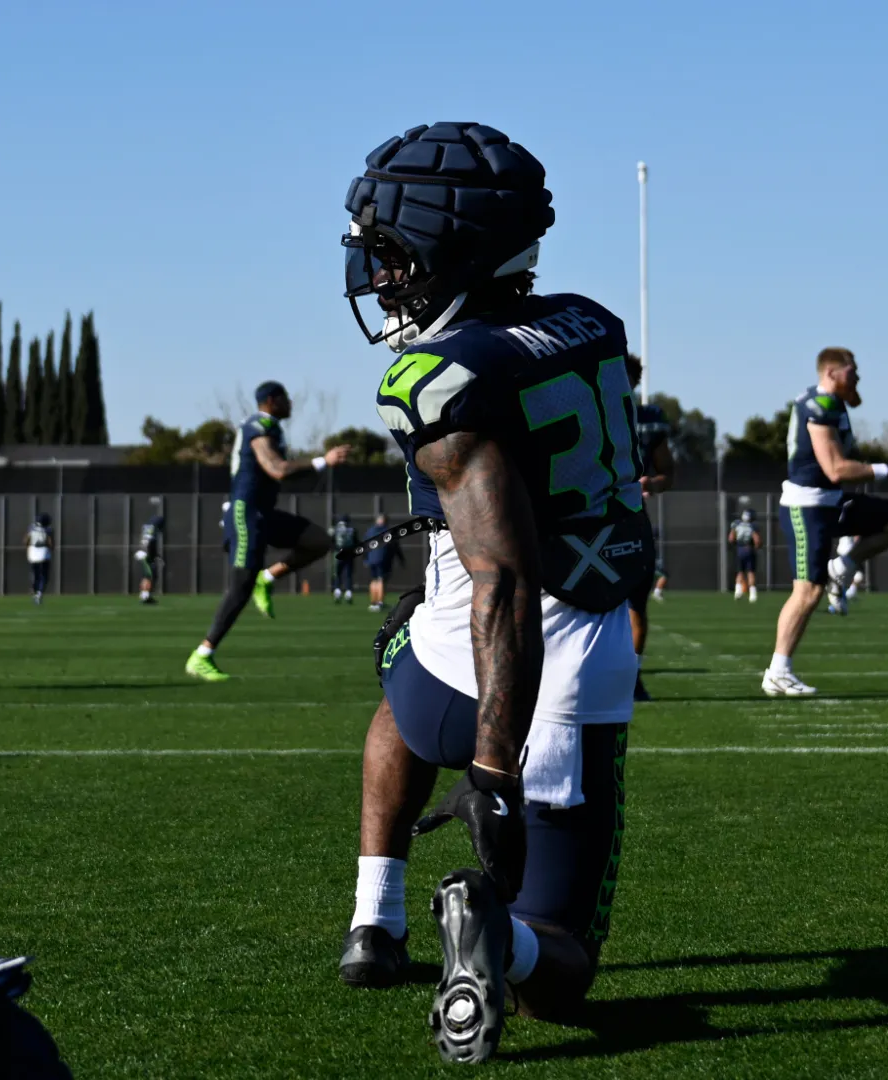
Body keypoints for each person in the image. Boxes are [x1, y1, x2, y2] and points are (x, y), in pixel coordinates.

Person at [335, 122, 652, 1064]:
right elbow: (503, 574)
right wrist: (500, 770)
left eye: (393, 256)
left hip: (477, 664)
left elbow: (504, 580)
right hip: (573, 661)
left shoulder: (438, 378)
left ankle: (374, 918)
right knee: (559, 964)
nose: (380, 278)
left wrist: (487, 770)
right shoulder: (589, 322)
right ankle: (485, 931)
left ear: (452, 248)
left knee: (401, 666)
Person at [764, 349, 888, 696]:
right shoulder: (820, 406)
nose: (859, 377)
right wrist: (887, 469)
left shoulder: (834, 400)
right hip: (808, 506)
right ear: (831, 372)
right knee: (807, 591)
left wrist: (849, 388)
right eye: (853, 371)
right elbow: (834, 468)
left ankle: (842, 567)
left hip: (833, 500)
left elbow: (856, 402)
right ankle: (777, 670)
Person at [184, 383, 351, 682]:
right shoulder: (258, 425)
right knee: (240, 585)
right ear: (272, 401)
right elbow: (276, 468)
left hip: (263, 513)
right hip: (246, 513)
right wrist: (322, 461)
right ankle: (202, 654)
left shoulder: (269, 426)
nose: (291, 404)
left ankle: (269, 577)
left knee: (318, 541)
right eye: (286, 399)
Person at [627, 354, 675, 702]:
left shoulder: (647, 420)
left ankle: (632, 675)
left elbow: (667, 474)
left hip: (629, 515)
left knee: (635, 602)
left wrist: (652, 483)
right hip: (579, 516)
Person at [362, 512, 400, 612]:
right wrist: (400, 559)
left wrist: (365, 559)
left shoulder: (370, 531)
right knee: (381, 580)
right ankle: (380, 603)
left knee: (374, 580)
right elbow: (395, 547)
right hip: (382, 558)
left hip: (371, 558)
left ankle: (373, 602)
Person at [728, 509, 761, 600]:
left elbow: (731, 538)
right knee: (750, 572)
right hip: (749, 549)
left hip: (739, 549)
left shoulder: (737, 524)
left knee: (740, 571)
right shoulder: (752, 526)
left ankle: (737, 592)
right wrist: (756, 547)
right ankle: (752, 595)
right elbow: (757, 540)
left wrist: (736, 545)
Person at [136, 513, 165, 605]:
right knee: (149, 575)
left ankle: (146, 595)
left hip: (146, 554)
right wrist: (152, 555)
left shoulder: (148, 526)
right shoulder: (151, 528)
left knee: (150, 575)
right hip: (146, 554)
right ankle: (145, 597)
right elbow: (148, 543)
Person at [331, 514, 359, 604]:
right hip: (348, 554)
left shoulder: (334, 529)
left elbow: (331, 542)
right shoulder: (352, 530)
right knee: (348, 574)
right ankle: (348, 593)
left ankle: (337, 592)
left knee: (337, 574)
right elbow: (356, 542)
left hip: (338, 553)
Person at [26, 512, 53, 604]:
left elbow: (26, 540)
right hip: (43, 553)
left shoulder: (31, 528)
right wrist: (51, 549)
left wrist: (28, 547)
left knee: (35, 573)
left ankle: (34, 589)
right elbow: (50, 542)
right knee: (44, 575)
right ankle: (39, 593)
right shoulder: (48, 529)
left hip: (32, 552)